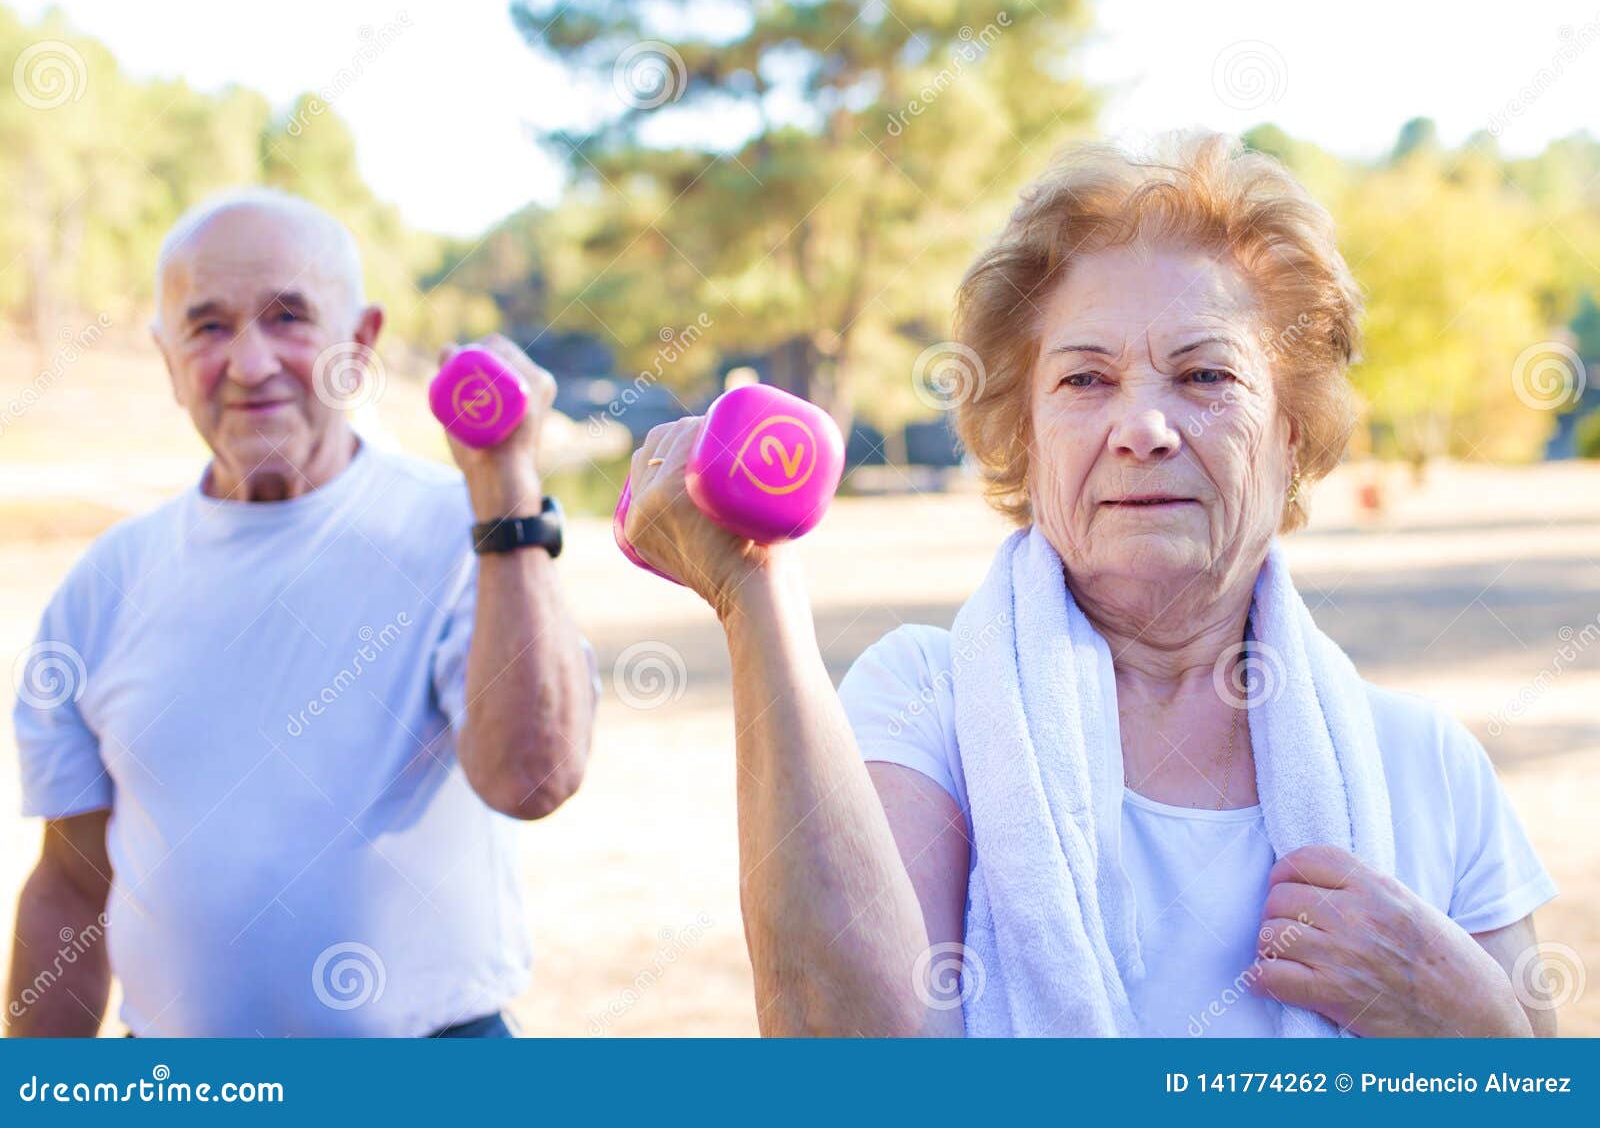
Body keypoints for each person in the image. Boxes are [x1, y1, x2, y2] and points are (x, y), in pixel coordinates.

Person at [619, 132, 1559, 1037]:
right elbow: (855, 1069)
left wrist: (1474, 1029)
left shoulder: (1431, 767)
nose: (1142, 425)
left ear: (1293, 436)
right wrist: (756, 596)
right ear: (1024, 437)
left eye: (1203, 374)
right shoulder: (926, 704)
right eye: (1084, 380)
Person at [8, 190, 598, 1037]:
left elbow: (533, 778)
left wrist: (506, 483)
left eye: (288, 317)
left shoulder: (462, 530)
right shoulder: (103, 585)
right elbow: (68, 889)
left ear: (358, 347)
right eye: (207, 327)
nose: (248, 364)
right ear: (167, 358)